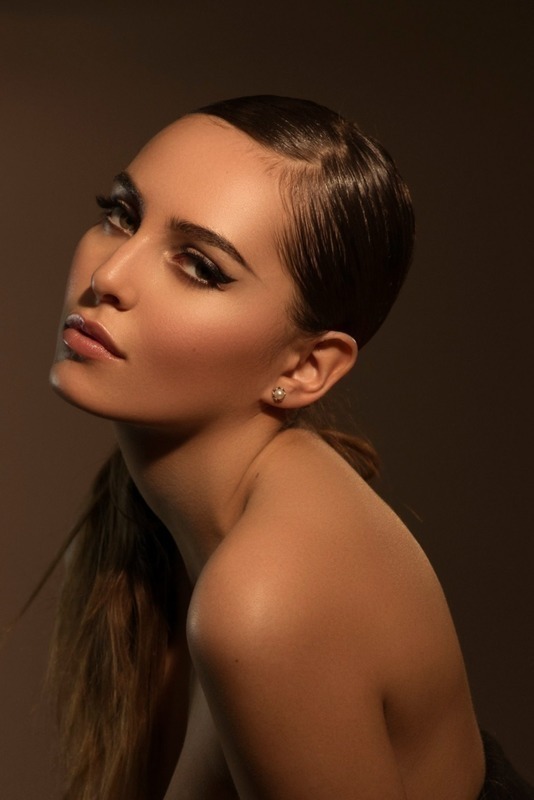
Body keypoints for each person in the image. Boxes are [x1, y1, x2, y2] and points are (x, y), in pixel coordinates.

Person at [47, 95, 533, 800]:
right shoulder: (144, 525)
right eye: (122, 214)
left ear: (305, 367)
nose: (109, 276)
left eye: (200, 266)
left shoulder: (267, 596)